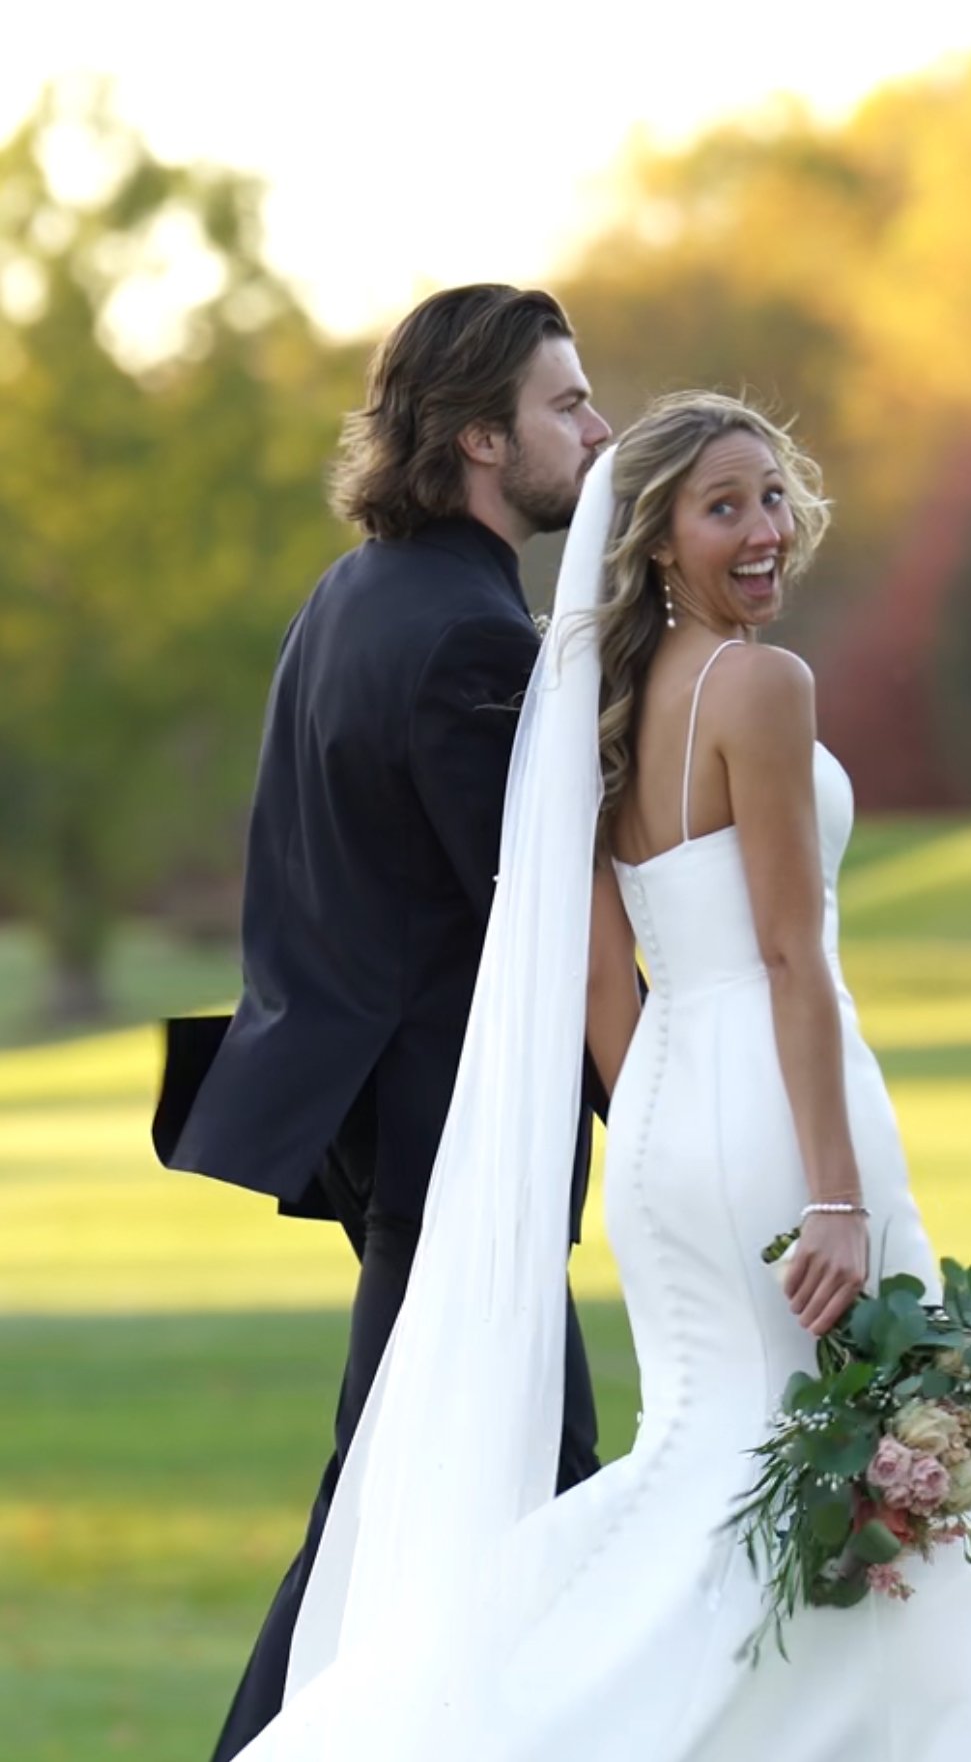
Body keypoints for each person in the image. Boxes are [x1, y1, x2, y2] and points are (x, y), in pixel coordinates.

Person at [234, 392, 971, 1761]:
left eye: (773, 495)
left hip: (674, 1119)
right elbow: (791, 960)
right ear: (658, 538)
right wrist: (834, 1197)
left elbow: (602, 979)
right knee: (852, 1468)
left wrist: (670, 1118)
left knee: (737, 1467)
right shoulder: (762, 687)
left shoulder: (605, 701)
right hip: (786, 1116)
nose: (764, 529)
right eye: (722, 505)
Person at [152, 283, 612, 1761]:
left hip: (378, 1124)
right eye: (566, 405)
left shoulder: (355, 593)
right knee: (497, 1489)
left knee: (439, 1489)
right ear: (481, 436)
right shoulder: (469, 638)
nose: (597, 429)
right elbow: (540, 927)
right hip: (449, 1141)